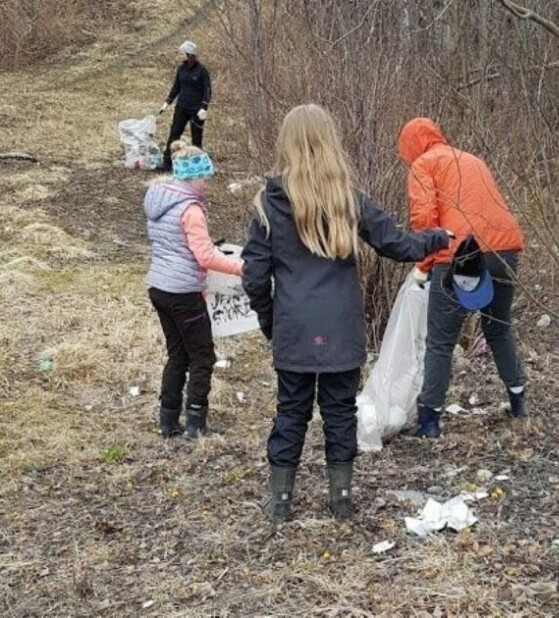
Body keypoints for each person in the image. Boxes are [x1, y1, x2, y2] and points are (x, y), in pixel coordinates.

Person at [242, 104, 451, 522]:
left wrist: (271, 322)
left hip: (295, 328)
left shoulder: (269, 203)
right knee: (340, 412)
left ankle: (280, 503)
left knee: (291, 412)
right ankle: (341, 499)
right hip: (341, 328)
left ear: (288, 143)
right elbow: (396, 245)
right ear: (330, 142)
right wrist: (438, 237)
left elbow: (254, 277)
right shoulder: (347, 200)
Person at [398, 117, 527, 439]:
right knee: (498, 328)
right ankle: (519, 401)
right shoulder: (471, 159)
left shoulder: (424, 165)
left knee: (440, 341)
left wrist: (424, 266)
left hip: (461, 254)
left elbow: (426, 222)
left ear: (411, 145)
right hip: (505, 249)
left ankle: (429, 421)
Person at [144, 141, 243, 439]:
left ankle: (168, 419)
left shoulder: (159, 199)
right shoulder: (190, 210)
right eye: (204, 177)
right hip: (183, 293)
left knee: (177, 355)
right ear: (193, 177)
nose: (206, 183)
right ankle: (195, 423)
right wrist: (244, 268)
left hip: (159, 287)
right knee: (202, 357)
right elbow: (205, 257)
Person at [159, 41, 211, 172]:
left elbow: (207, 90)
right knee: (174, 133)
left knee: (196, 137)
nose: (181, 56)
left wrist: (204, 107)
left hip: (196, 109)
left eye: (183, 54)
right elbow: (176, 86)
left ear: (190, 55)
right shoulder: (181, 69)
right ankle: (167, 161)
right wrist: (167, 101)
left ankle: (197, 165)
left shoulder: (202, 71)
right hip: (182, 107)